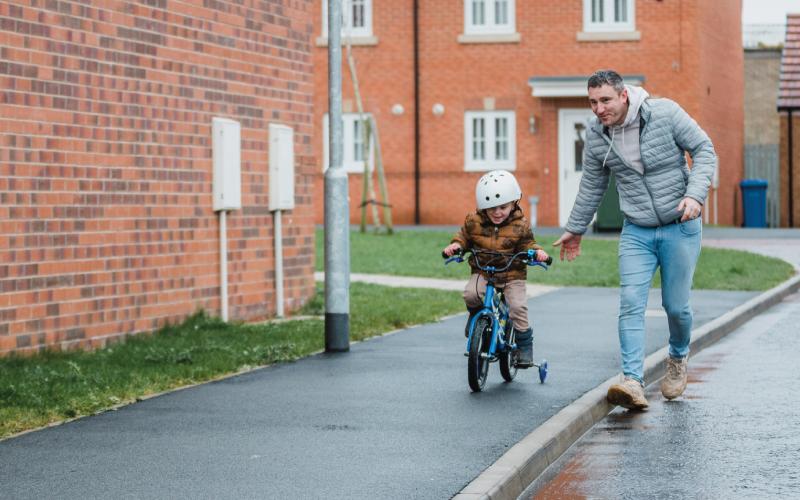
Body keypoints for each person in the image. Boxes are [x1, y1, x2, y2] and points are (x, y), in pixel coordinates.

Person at [554, 70, 716, 410]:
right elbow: (592, 184)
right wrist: (576, 227)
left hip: (680, 225)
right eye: (593, 102)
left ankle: (677, 356)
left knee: (676, 307)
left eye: (605, 100)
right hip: (637, 231)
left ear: (624, 95)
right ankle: (632, 381)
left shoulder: (665, 113)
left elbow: (704, 150)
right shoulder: (597, 134)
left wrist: (695, 196)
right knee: (630, 301)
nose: (598, 109)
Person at [443, 170, 549, 368]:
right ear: (483, 207)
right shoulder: (473, 222)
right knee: (471, 294)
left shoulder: (520, 225)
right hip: (483, 271)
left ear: (514, 203)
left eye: (503, 207)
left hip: (511, 275)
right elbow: (463, 237)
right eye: (491, 208)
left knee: (517, 307)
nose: (497, 212)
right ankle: (475, 318)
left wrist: (537, 252)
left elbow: (528, 244)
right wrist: (456, 246)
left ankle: (524, 347)